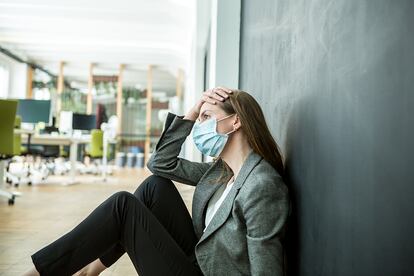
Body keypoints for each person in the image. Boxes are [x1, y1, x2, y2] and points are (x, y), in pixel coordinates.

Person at [23, 87, 291, 276]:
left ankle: (41, 273)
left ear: (235, 122)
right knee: (155, 186)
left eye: (206, 118)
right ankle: (90, 271)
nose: (200, 126)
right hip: (199, 261)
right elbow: (161, 164)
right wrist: (192, 112)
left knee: (122, 205)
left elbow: (266, 269)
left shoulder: (261, 186)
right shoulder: (221, 172)